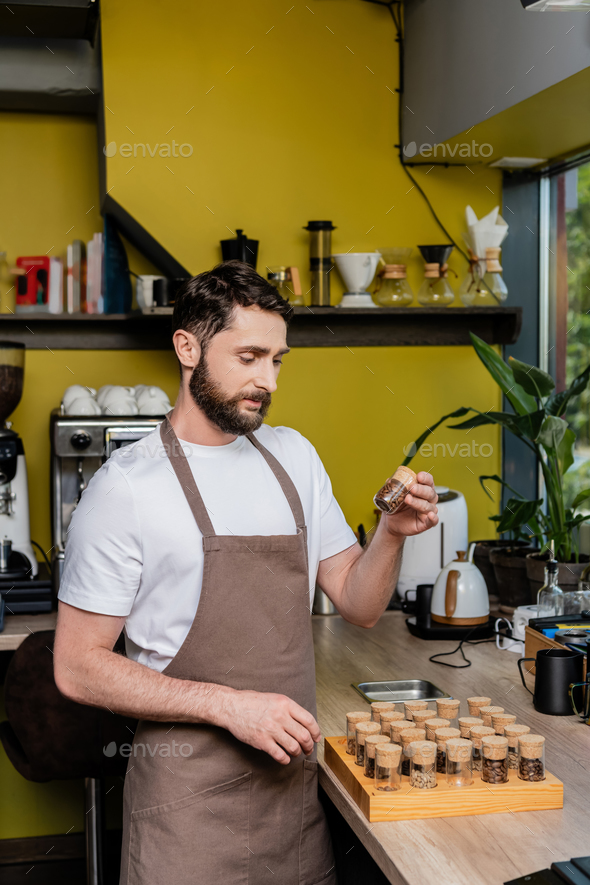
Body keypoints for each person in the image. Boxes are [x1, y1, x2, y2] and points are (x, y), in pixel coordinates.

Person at [54, 260, 438, 885]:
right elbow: (76, 666)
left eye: (278, 360)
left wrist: (391, 535)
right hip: (187, 824)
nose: (268, 380)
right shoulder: (125, 487)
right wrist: (230, 706)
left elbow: (359, 604)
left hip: (294, 811)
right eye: (250, 356)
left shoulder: (294, 457)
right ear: (187, 347)